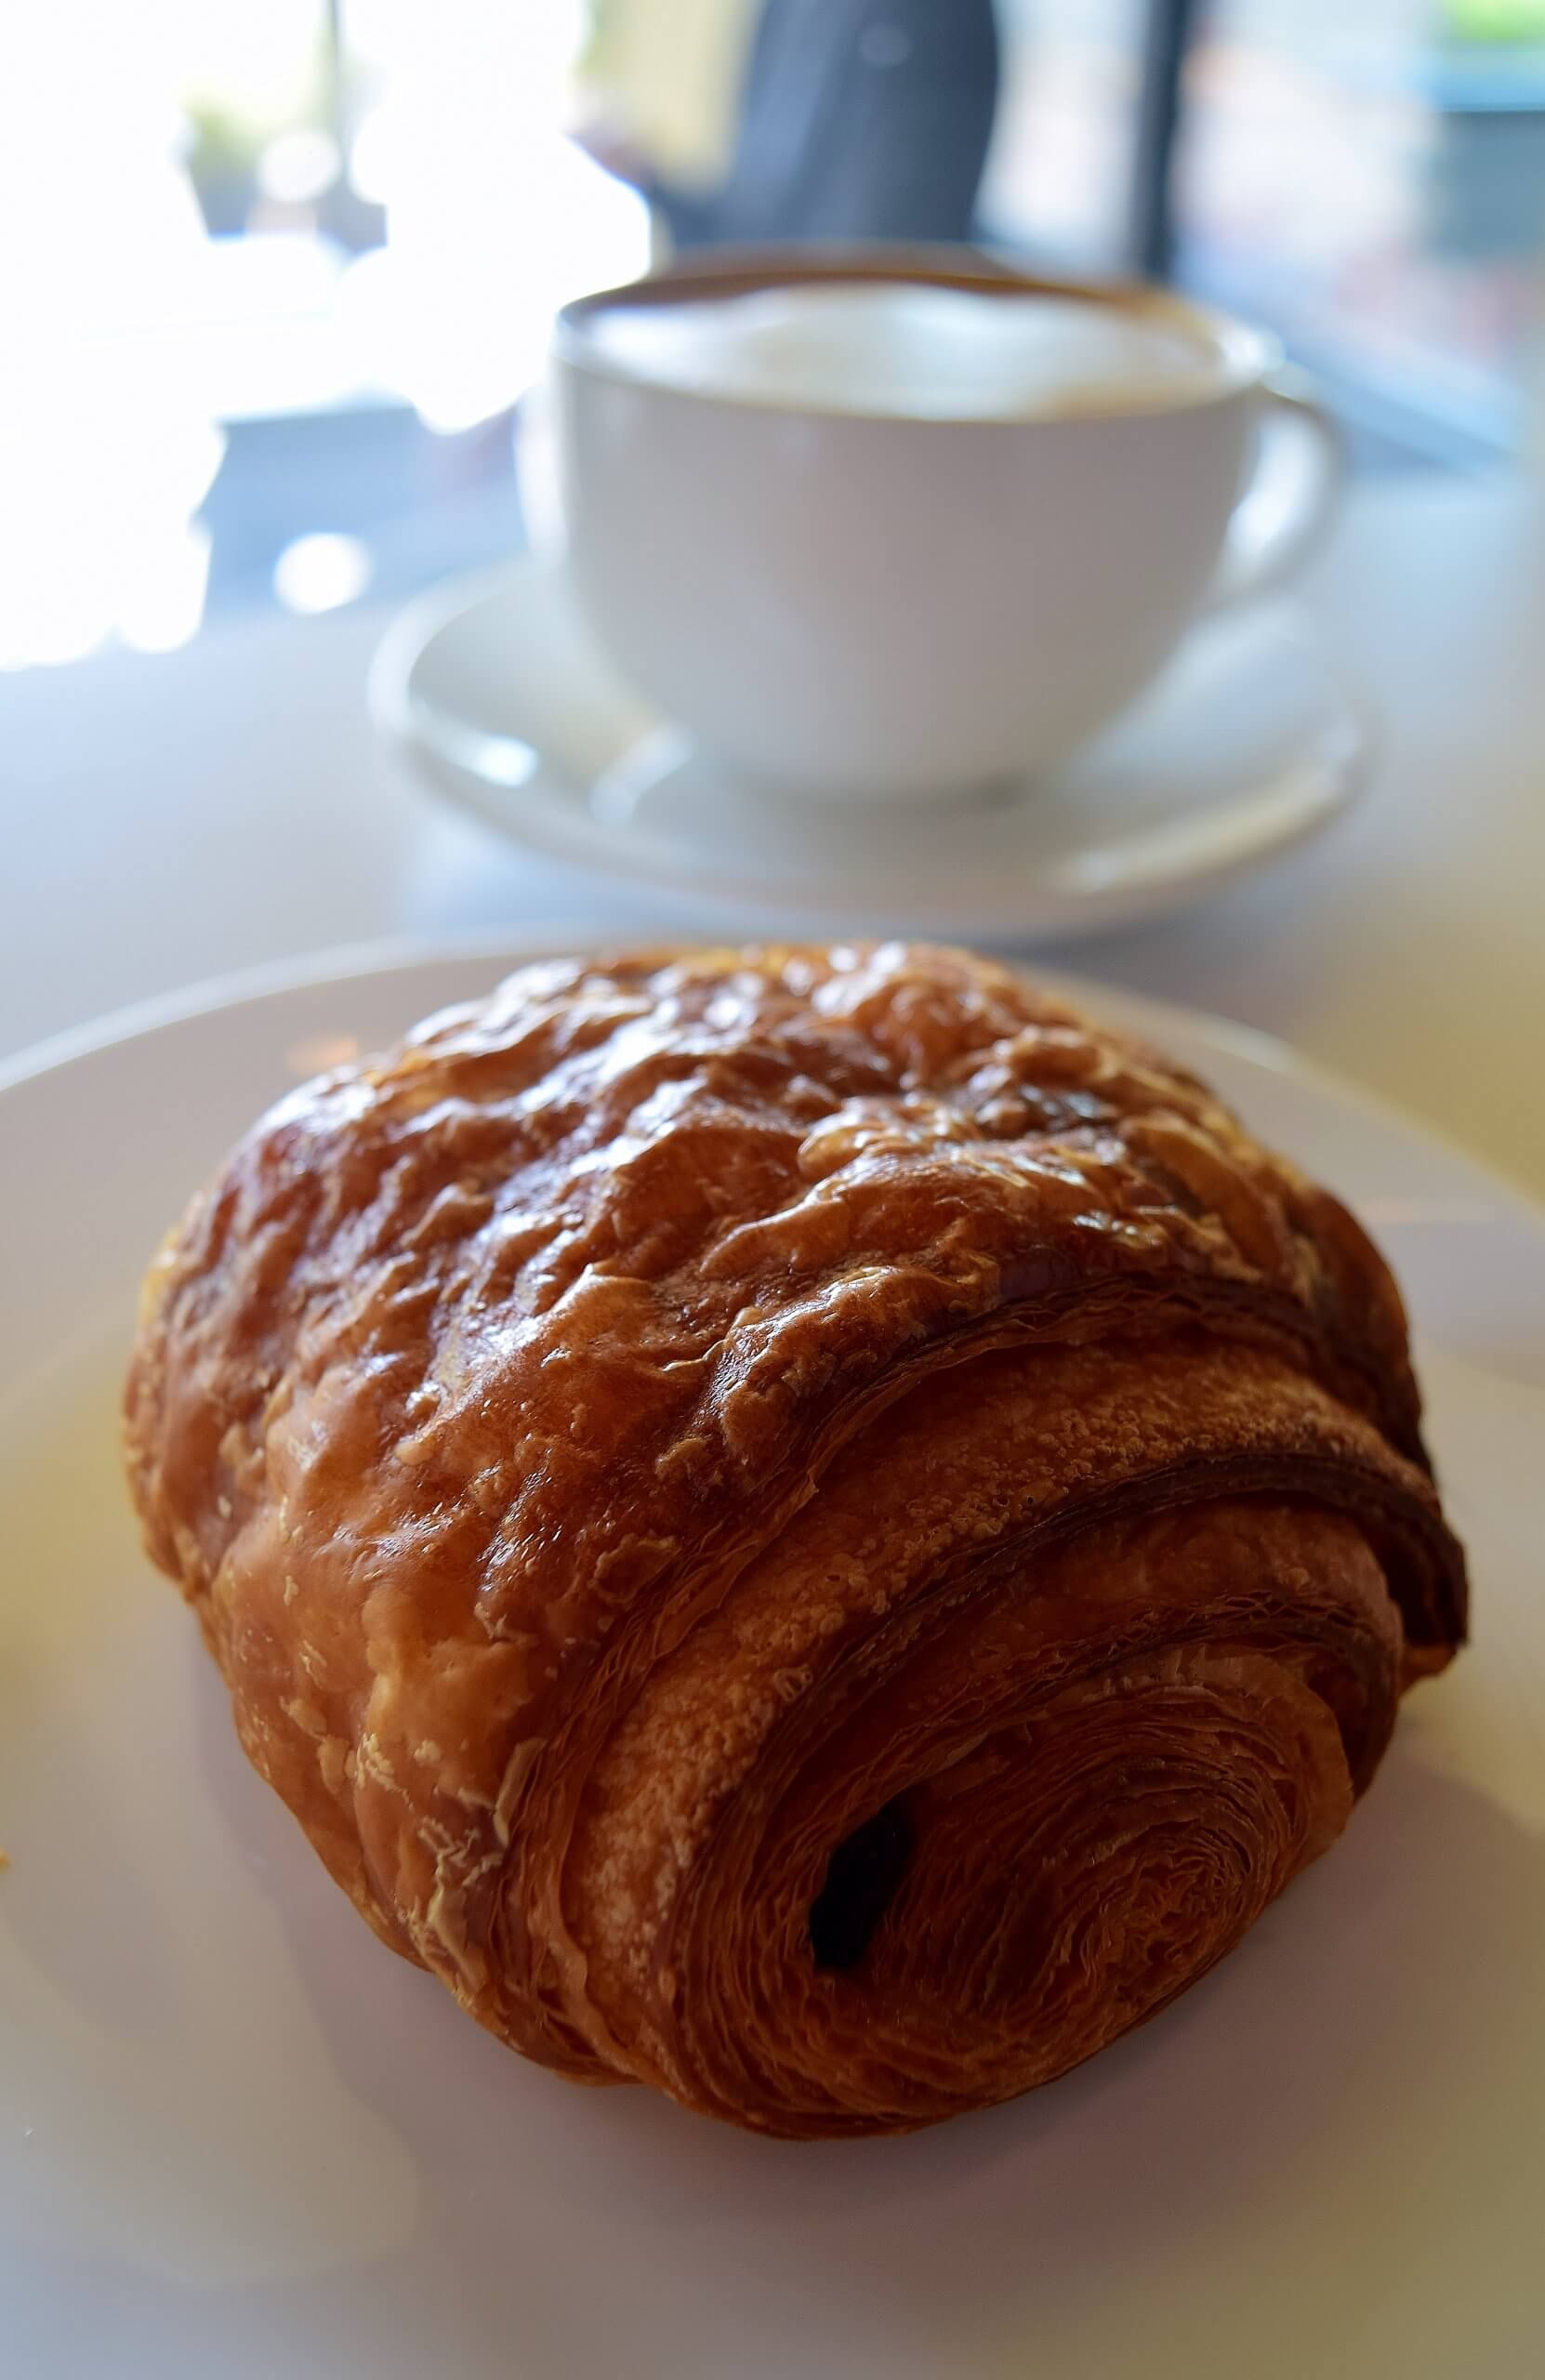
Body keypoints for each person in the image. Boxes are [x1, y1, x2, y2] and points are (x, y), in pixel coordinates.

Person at [583, 0, 1000, 252]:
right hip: (781, 334)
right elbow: (751, 223)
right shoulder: (785, 12)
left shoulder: (926, 15)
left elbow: (887, 248)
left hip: (852, 357)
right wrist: (651, 180)